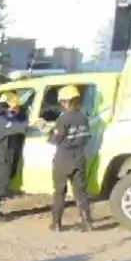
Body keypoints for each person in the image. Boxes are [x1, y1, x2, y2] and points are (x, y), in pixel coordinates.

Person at [47, 84, 93, 231]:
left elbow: (57, 139)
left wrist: (48, 133)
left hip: (63, 158)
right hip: (79, 157)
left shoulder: (63, 119)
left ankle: (56, 224)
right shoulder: (84, 118)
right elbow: (86, 138)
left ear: (65, 102)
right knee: (80, 192)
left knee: (59, 191)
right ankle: (87, 223)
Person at [0, 91, 28, 223]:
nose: (17, 109)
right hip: (0, 156)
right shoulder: (1, 120)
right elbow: (20, 127)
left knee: (1, 183)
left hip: (5, 154)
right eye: (15, 107)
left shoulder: (4, 117)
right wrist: (34, 122)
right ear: (7, 106)